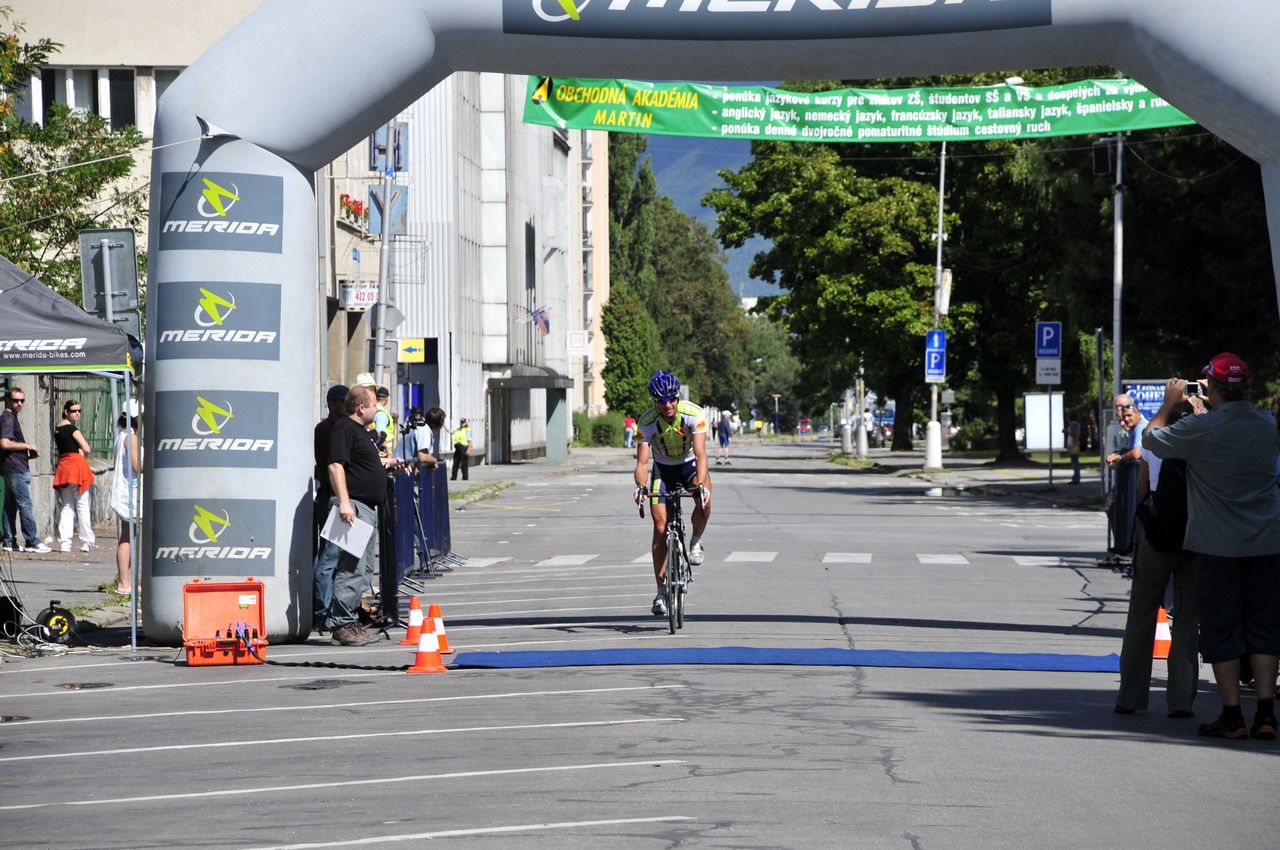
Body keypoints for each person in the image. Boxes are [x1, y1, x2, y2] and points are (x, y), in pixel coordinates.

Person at [1143, 353, 1280, 740]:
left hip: (1219, 546)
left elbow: (1151, 440)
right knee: (1264, 626)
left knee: (1222, 629)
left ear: (1213, 386)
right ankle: (1267, 713)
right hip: (1267, 542)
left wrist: (1170, 404)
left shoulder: (1203, 429)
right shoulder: (1267, 424)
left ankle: (1232, 715)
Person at [1115, 400, 1199, 718]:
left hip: (1157, 537)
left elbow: (1141, 486)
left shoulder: (1155, 442)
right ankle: (1180, 700)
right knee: (1188, 620)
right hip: (1193, 539)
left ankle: (1130, 696)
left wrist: (1167, 404)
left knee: (1142, 614)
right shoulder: (1202, 447)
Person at [325, 385, 401, 646]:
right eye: (373, 405)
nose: (377, 408)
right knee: (351, 566)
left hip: (366, 507)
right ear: (361, 408)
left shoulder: (359, 432)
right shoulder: (344, 429)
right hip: (354, 507)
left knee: (365, 568)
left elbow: (360, 464)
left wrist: (385, 464)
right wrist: (345, 503)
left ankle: (350, 619)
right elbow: (335, 465)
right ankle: (342, 624)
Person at [632, 371, 711, 617]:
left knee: (705, 498)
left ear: (678, 398)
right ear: (654, 401)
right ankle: (660, 592)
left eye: (671, 400)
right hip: (663, 470)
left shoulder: (693, 414)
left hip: (688, 466)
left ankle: (696, 542)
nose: (667, 405)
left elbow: (700, 454)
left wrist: (700, 485)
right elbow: (643, 463)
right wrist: (641, 487)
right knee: (659, 527)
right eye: (660, 401)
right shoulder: (646, 422)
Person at [310, 383, 348, 630]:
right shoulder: (327, 430)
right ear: (332, 403)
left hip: (341, 499)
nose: (349, 406)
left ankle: (336, 607)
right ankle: (323, 612)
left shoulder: (342, 428)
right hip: (331, 499)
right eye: (344, 402)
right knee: (330, 556)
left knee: (344, 557)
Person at [0, 387, 50, 553]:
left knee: (10, 505)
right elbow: (5, 443)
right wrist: (27, 445)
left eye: (22, 400)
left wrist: (26, 454)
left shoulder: (10, 417)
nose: (19, 403)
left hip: (12, 466)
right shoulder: (8, 418)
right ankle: (32, 541)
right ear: (8, 400)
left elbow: (8, 448)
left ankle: (9, 541)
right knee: (25, 504)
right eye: (16, 400)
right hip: (16, 469)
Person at [1105, 393, 1146, 566]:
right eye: (1119, 410)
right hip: (1129, 481)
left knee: (1124, 510)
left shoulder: (1141, 427)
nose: (1124, 417)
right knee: (1113, 507)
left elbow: (1136, 453)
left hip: (1137, 482)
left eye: (1128, 414)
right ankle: (1123, 545)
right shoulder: (1129, 428)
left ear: (1137, 413)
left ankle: (1127, 548)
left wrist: (1120, 459)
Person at [52, 399, 95, 553]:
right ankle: (86, 541)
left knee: (67, 505)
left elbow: (65, 447)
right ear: (66, 412)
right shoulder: (73, 429)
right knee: (82, 505)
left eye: (79, 411)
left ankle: (65, 542)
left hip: (64, 466)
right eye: (74, 411)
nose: (77, 413)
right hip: (77, 466)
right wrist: (80, 451)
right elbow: (87, 448)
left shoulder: (57, 428)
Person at [110, 408, 141, 594]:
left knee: (129, 534)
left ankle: (127, 580)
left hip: (127, 490)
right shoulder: (132, 437)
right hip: (130, 492)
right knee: (128, 535)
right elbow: (136, 465)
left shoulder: (123, 436)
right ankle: (124, 582)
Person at [373, 386, 396, 457]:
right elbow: (380, 435)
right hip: (383, 452)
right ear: (386, 398)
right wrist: (388, 453)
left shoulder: (375, 409)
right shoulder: (381, 414)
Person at [1066, 420, 1082, 485]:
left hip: (1073, 445)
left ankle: (1076, 478)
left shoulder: (1074, 424)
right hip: (1072, 445)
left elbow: (1073, 434)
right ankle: (1075, 477)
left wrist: (1067, 431)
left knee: (1075, 463)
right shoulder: (1075, 424)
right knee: (1074, 462)